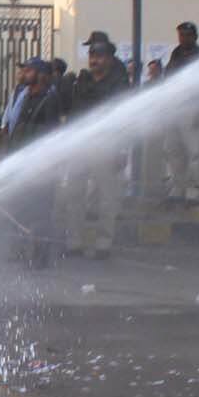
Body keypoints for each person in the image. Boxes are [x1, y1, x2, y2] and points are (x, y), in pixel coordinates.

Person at [68, 40, 129, 259]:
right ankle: (74, 241)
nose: (94, 60)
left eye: (100, 56)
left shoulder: (119, 84)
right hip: (80, 145)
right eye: (92, 55)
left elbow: (126, 118)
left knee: (106, 198)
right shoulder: (82, 82)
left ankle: (104, 243)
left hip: (107, 145)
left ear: (110, 59)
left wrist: (122, 148)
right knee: (74, 194)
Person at [3, 60, 65, 268]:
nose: (23, 73)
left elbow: (50, 135)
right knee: (20, 208)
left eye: (28, 70)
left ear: (40, 75)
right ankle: (20, 251)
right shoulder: (25, 96)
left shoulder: (49, 99)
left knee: (40, 210)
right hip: (20, 162)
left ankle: (39, 256)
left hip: (39, 166)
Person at [162, 21, 199, 203]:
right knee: (172, 150)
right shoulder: (176, 54)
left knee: (196, 153)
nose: (183, 38)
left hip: (193, 110)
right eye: (180, 35)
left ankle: (194, 191)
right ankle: (178, 188)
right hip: (174, 110)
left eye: (187, 35)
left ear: (195, 37)